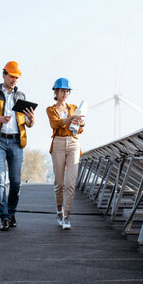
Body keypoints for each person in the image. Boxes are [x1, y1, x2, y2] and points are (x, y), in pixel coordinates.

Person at [0, 61, 35, 231]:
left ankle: (11, 212)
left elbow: (28, 123)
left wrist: (32, 119)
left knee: (16, 182)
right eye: (11, 76)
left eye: (16, 77)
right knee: (0, 180)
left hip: (17, 142)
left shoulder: (21, 97)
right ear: (3, 75)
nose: (14, 80)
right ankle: (3, 217)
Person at [46, 78, 85, 230]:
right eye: (62, 91)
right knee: (59, 183)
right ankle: (59, 210)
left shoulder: (74, 107)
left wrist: (80, 123)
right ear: (56, 92)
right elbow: (55, 124)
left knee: (70, 183)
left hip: (73, 143)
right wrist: (70, 119)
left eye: (67, 91)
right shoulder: (50, 109)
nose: (65, 93)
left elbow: (80, 129)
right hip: (58, 144)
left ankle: (67, 215)